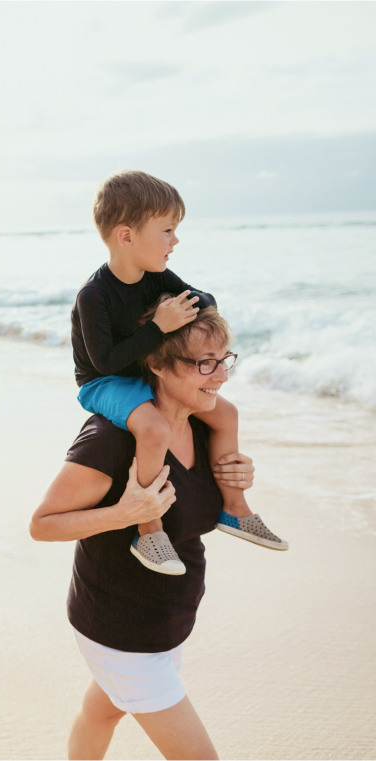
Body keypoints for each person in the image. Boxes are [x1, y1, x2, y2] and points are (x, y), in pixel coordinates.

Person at [31, 303, 265, 759]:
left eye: (225, 360)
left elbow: (200, 512)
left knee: (104, 711)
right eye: (204, 364)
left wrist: (237, 479)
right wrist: (124, 512)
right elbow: (42, 525)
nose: (221, 376)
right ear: (156, 363)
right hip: (118, 628)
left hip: (168, 620)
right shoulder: (111, 438)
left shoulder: (204, 424)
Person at [72, 170, 287, 574]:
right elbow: (106, 363)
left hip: (141, 368)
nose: (176, 241)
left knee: (226, 414)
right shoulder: (94, 295)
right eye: (168, 231)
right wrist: (158, 328)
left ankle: (235, 509)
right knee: (154, 429)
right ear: (126, 236)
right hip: (104, 382)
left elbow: (207, 300)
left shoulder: (156, 277)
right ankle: (148, 528)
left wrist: (182, 306)